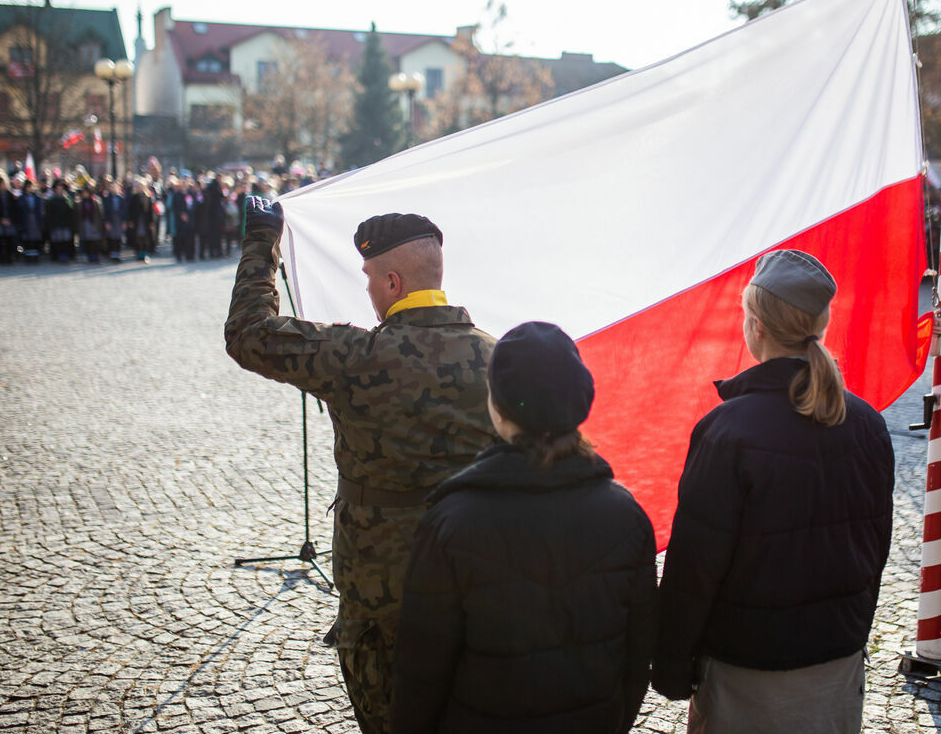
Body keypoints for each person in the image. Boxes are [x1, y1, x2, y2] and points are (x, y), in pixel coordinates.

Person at [225, 202, 498, 734]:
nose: (368, 290)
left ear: (393, 281)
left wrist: (262, 240)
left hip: (381, 590)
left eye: (371, 278)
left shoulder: (357, 356)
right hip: (478, 574)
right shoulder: (498, 358)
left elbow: (248, 334)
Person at [653, 250, 894, 734]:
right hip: (836, 663)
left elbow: (694, 568)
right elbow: (875, 552)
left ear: (756, 326)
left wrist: (672, 665)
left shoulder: (726, 432)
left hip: (747, 672)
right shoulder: (867, 423)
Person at [391, 321, 657, 734]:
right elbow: (637, 656)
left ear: (496, 406)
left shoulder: (450, 522)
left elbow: (419, 673)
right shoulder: (628, 516)